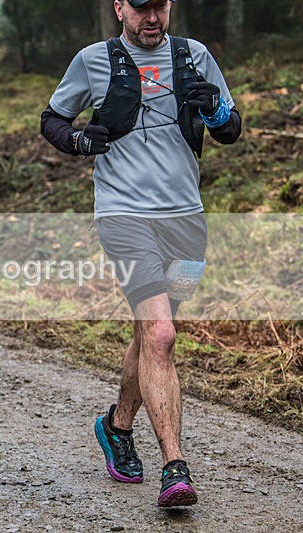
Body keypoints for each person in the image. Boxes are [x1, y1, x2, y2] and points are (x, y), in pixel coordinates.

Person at [40, 0, 241, 508]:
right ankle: (175, 468)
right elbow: (52, 121)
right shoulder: (93, 60)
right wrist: (81, 139)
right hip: (124, 216)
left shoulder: (194, 55)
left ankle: (116, 426)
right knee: (161, 333)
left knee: (151, 335)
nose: (151, 19)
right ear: (119, 8)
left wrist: (216, 108)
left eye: (159, 8)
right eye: (140, 9)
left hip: (186, 220)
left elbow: (231, 130)